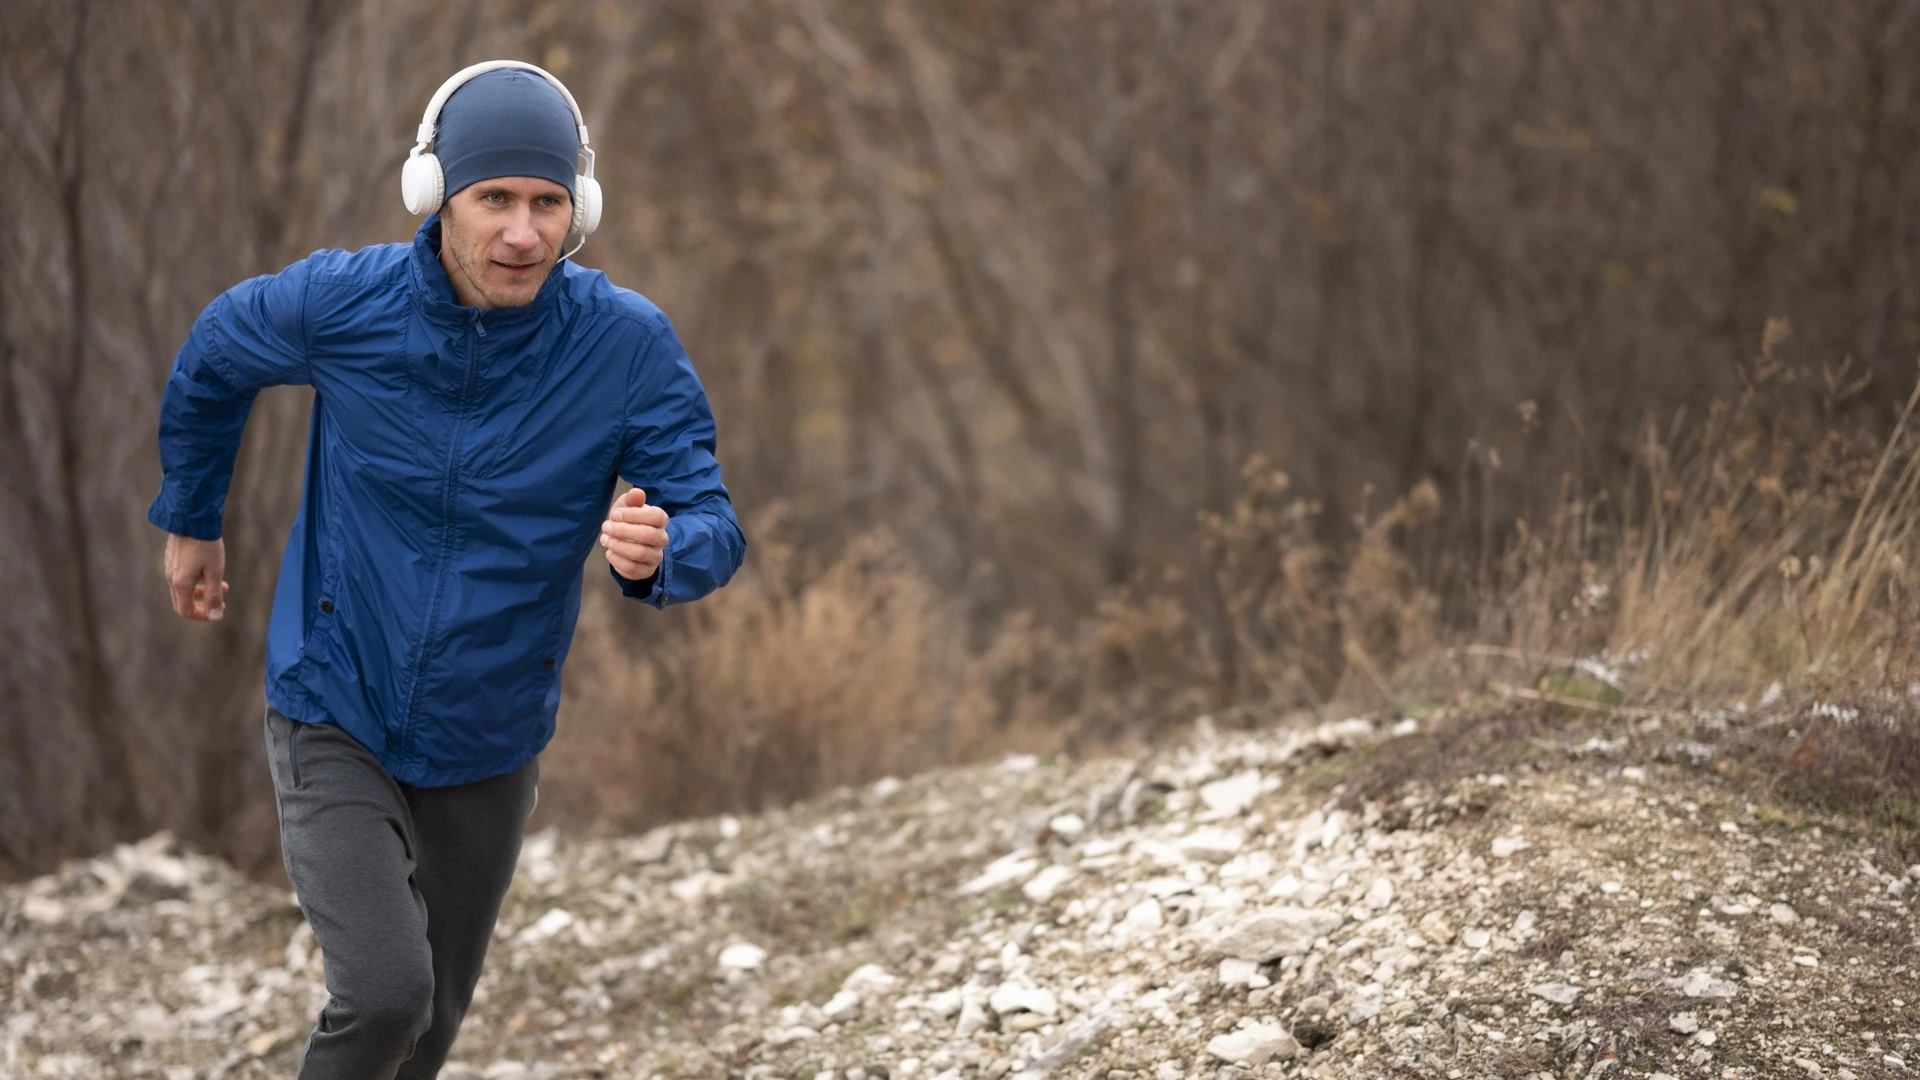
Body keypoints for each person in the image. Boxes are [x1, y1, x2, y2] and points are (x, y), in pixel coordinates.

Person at [146, 61, 746, 1078]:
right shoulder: (345, 306)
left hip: (491, 735)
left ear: (581, 208)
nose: (523, 233)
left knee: (422, 1040)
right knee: (386, 995)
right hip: (335, 698)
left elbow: (711, 520)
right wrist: (192, 516)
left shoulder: (626, 349)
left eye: (548, 202)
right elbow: (214, 354)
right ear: (436, 196)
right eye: (495, 199)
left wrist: (667, 550)